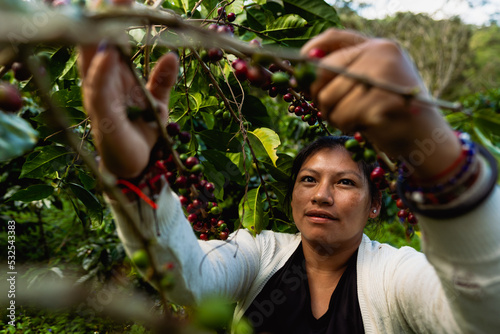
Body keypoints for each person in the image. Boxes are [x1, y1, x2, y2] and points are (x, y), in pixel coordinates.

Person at [79, 26, 500, 333]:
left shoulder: (394, 276)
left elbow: (483, 316)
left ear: (375, 206)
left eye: (346, 183)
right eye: (308, 179)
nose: (322, 195)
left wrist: (438, 154)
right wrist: (138, 176)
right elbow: (187, 279)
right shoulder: (258, 254)